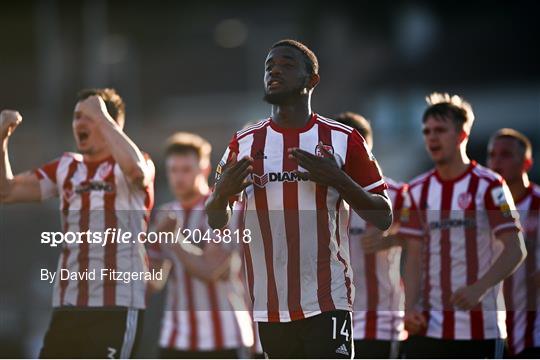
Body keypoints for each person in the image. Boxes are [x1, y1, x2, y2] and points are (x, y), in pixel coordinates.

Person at [206, 39, 392, 358]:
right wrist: (221, 194)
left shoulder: (342, 139)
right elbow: (215, 219)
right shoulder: (245, 142)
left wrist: (338, 179)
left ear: (312, 80)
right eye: (269, 66)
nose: (275, 70)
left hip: (327, 297)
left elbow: (383, 215)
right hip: (271, 304)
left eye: (287, 65)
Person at [0, 88, 155, 358]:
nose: (80, 123)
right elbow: (7, 191)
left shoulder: (136, 162)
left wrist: (104, 117)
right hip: (69, 306)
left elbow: (137, 172)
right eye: (76, 117)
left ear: (112, 124)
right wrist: (1, 139)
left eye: (90, 116)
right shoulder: (66, 167)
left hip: (116, 305)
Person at [400, 93, 527, 358]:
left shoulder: (490, 185)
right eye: (427, 131)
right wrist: (410, 308)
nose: (432, 137)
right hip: (428, 328)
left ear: (462, 135)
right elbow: (412, 257)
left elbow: (516, 249)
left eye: (440, 130)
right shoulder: (417, 190)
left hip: (480, 329)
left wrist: (478, 288)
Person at [147, 132, 253, 358]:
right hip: (176, 338)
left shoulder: (224, 208)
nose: (179, 177)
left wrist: (172, 239)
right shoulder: (166, 213)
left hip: (222, 338)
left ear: (204, 170)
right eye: (173, 170)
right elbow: (153, 282)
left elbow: (212, 269)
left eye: (186, 170)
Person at [336, 112, 408, 358]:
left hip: (380, 316)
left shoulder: (397, 194)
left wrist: (395, 239)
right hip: (333, 317)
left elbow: (428, 236)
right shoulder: (322, 196)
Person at [487, 128, 540, 358]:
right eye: (492, 155)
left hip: (533, 332)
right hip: (492, 329)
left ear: (526, 163)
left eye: (506, 155)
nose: (496, 161)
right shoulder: (482, 208)